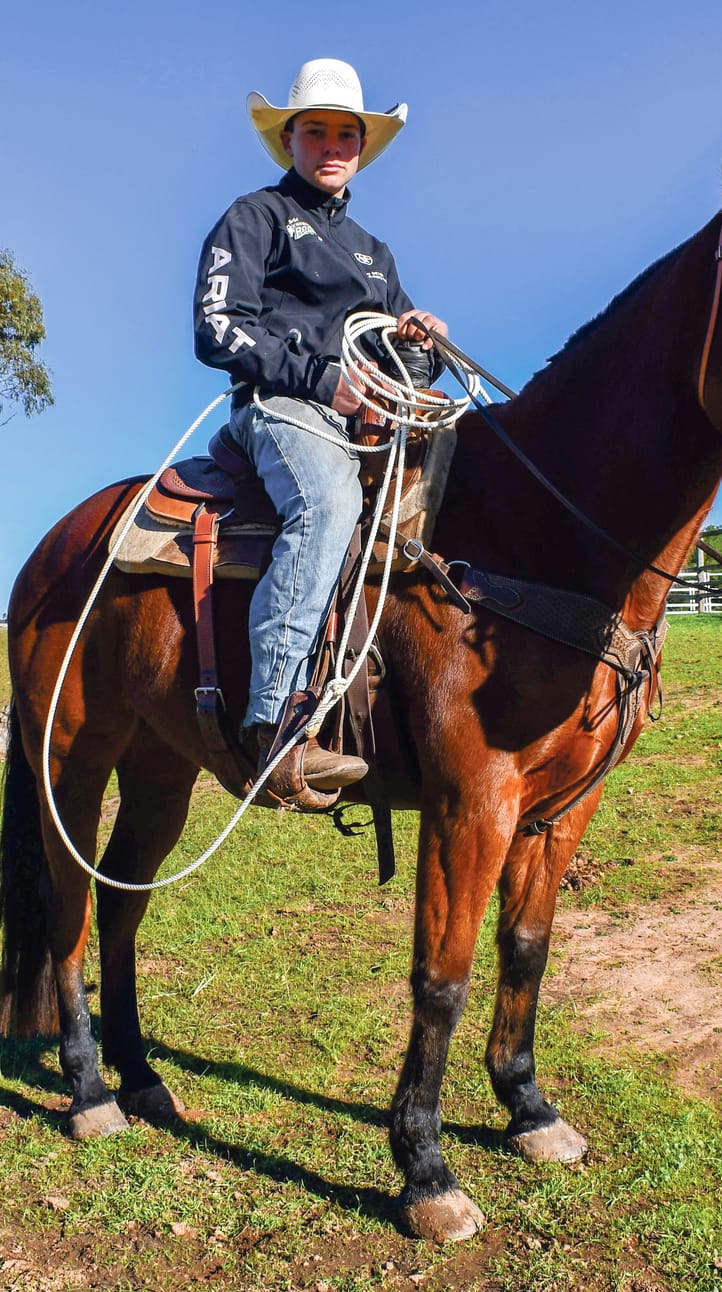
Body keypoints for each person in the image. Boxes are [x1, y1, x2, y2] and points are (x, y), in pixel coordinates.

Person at [194, 58, 447, 808]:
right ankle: (275, 725)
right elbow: (214, 329)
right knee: (330, 504)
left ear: (362, 146)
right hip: (279, 409)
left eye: (346, 132)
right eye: (316, 131)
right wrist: (318, 378)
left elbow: (396, 356)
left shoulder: (376, 253)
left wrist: (421, 342)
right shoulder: (256, 217)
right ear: (291, 140)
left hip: (369, 417)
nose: (332, 145)